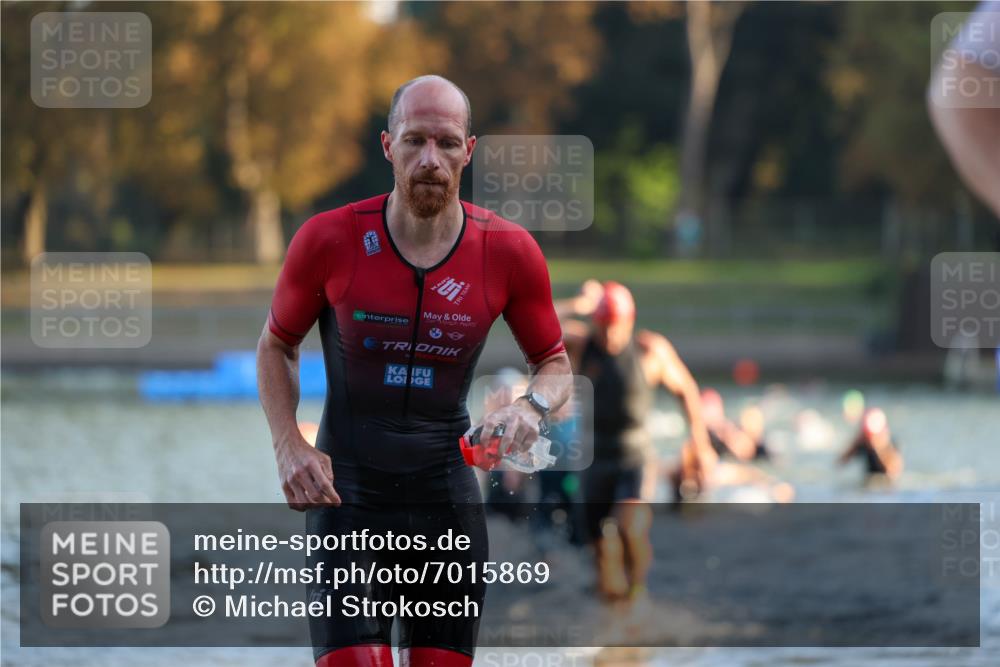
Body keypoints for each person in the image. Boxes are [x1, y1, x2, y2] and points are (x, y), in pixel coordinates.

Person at [256, 75, 573, 667]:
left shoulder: (508, 252)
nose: (432, 159)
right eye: (415, 141)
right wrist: (287, 442)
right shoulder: (329, 239)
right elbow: (276, 346)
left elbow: (553, 363)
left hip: (445, 503)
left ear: (469, 151)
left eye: (448, 143)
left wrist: (529, 408)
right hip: (347, 500)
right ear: (387, 145)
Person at [556, 279, 715, 602]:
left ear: (629, 321)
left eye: (615, 326)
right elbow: (536, 322)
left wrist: (700, 442)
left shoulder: (650, 351)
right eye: (602, 325)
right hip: (595, 456)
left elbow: (686, 389)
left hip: (635, 456)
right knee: (598, 543)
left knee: (631, 525)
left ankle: (637, 590)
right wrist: (577, 305)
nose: (609, 334)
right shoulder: (580, 345)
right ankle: (611, 606)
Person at [838, 407, 904, 481]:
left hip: (885, 484)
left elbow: (892, 471)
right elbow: (841, 462)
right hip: (868, 482)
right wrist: (856, 443)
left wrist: (878, 448)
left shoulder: (891, 444)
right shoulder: (863, 443)